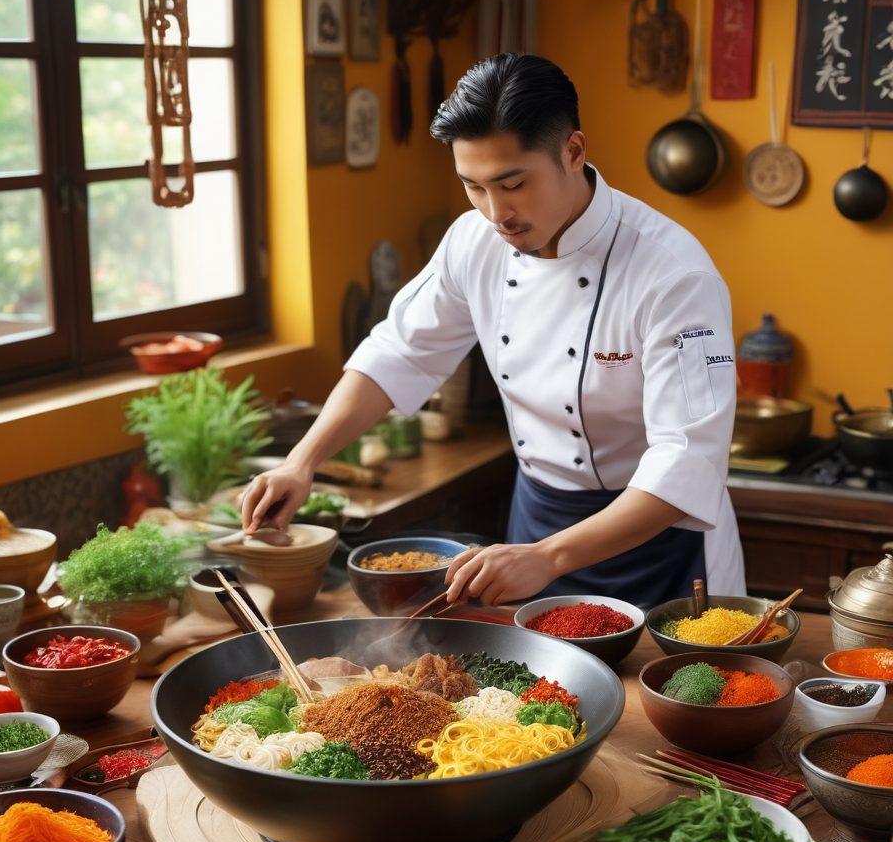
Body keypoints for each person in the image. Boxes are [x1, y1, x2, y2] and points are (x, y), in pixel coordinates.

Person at [243, 53, 745, 608]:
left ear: (573, 152)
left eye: (513, 183)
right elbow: (400, 352)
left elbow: (687, 461)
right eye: (474, 186)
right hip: (535, 528)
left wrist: (551, 557)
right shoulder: (473, 241)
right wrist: (302, 461)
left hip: (656, 543)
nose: (496, 212)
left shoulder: (674, 274)